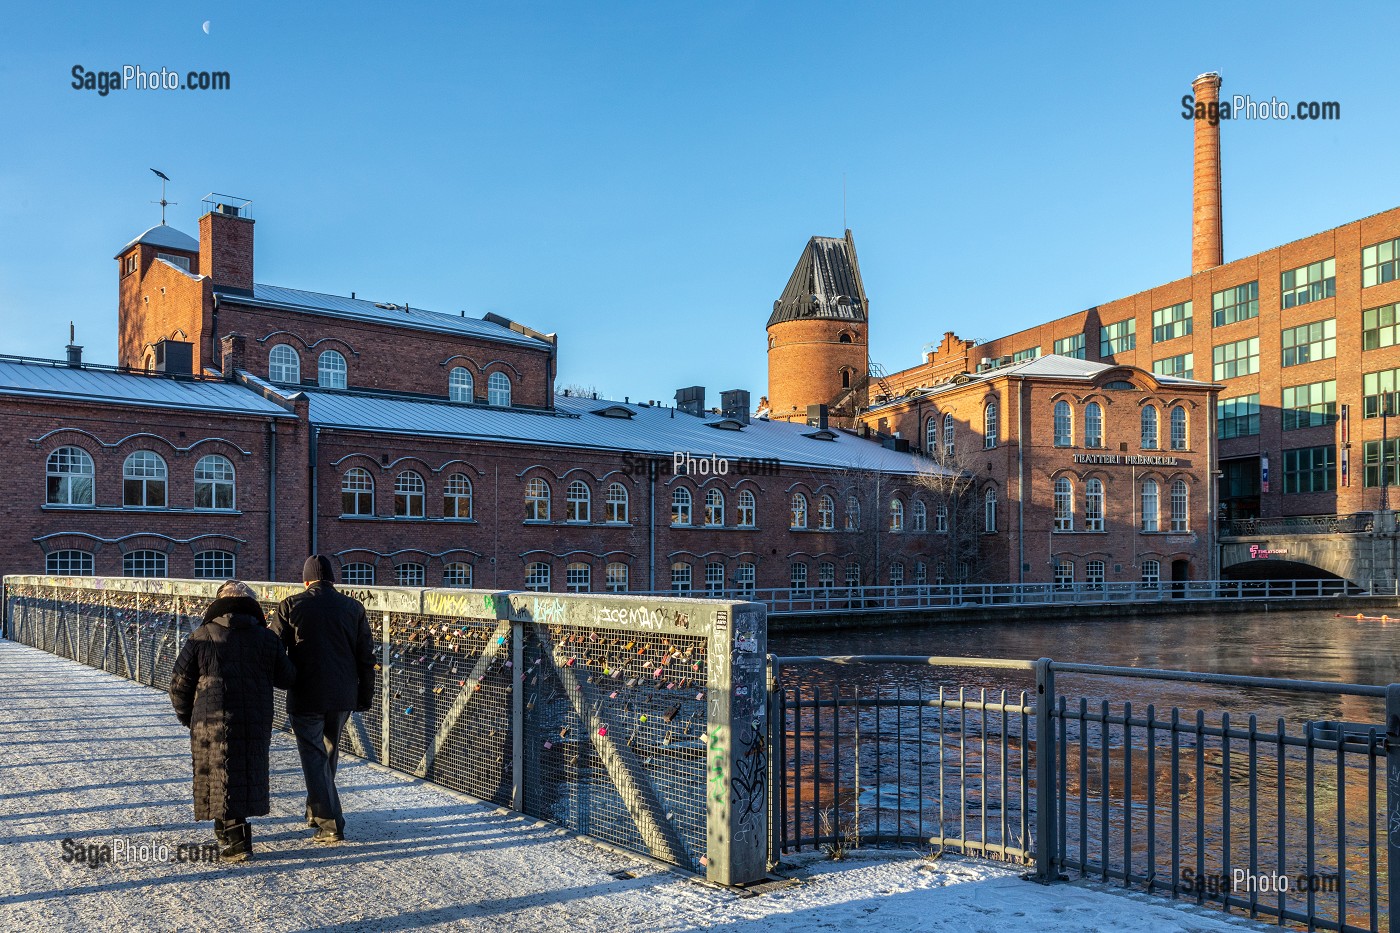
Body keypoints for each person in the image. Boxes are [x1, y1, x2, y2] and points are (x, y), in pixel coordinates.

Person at [170, 580, 295, 863]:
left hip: (209, 718)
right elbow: (288, 678)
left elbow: (179, 684)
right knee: (242, 772)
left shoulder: (201, 635)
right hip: (254, 716)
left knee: (218, 772)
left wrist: (187, 716)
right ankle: (226, 830)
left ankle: (237, 839)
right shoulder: (266, 638)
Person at [271, 555, 376, 844]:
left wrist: (286, 679)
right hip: (343, 694)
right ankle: (314, 811)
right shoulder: (353, 607)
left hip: (306, 693)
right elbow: (366, 657)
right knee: (327, 753)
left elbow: (274, 650)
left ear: (306, 581)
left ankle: (331, 824)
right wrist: (364, 696)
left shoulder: (290, 605)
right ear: (333, 580)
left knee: (314, 757)